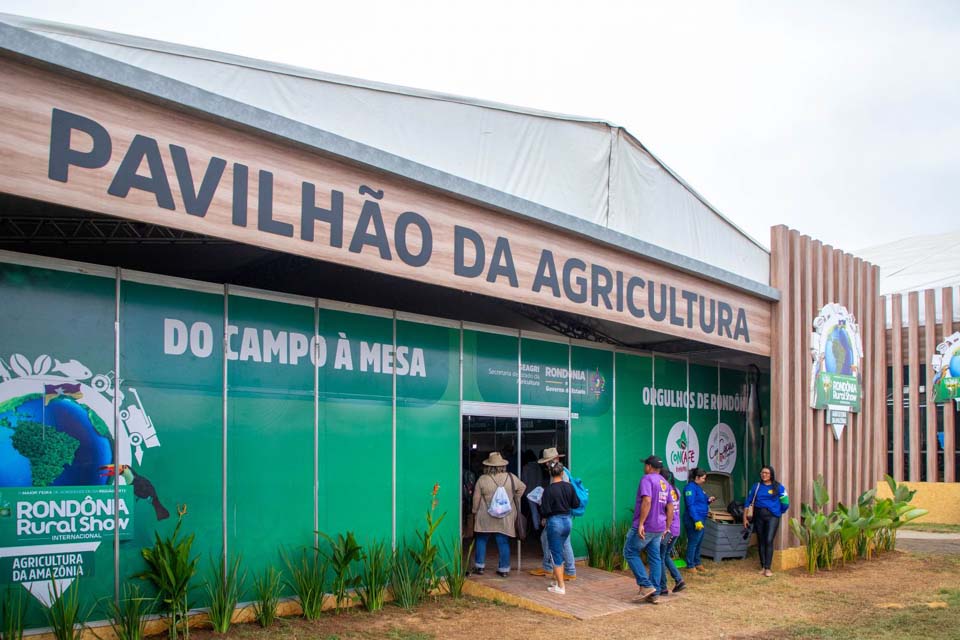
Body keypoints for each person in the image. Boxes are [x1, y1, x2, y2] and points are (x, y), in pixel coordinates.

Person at [624, 455, 675, 604]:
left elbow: (647, 500)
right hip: (659, 527)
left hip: (647, 526)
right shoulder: (665, 482)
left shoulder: (646, 479)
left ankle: (646, 585)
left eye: (645, 464)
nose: (644, 467)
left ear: (649, 467)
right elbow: (670, 507)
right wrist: (667, 526)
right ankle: (655, 592)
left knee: (630, 552)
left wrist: (641, 524)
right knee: (655, 557)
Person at [472, 451, 526, 577]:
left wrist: (474, 511)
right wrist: (513, 499)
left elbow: (476, 498)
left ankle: (479, 566)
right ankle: (504, 569)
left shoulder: (482, 479)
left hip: (485, 515)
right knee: (503, 541)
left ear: (488, 466)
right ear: (502, 465)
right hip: (505, 515)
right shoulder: (511, 477)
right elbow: (522, 487)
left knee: (481, 539)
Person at [528, 447, 577, 581]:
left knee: (559, 541)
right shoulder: (559, 473)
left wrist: (546, 515)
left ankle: (561, 569)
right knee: (555, 540)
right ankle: (552, 567)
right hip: (564, 516)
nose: (546, 464)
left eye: (548, 462)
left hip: (558, 516)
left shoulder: (560, 475)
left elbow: (559, 497)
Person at [539, 460, 580, 595]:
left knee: (555, 553)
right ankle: (558, 580)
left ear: (550, 473)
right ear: (562, 473)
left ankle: (560, 586)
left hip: (555, 521)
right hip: (567, 520)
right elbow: (576, 504)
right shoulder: (569, 487)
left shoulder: (549, 490)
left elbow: (544, 510)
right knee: (562, 548)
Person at [743, 465, 789, 577]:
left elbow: (785, 503)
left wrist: (777, 512)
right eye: (763, 472)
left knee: (768, 540)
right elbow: (748, 502)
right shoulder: (756, 486)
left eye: (767, 473)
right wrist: (744, 518)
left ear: (771, 474)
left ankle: (768, 568)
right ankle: (763, 566)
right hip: (759, 516)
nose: (764, 475)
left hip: (772, 516)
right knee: (761, 540)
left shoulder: (778, 487)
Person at [658, 469, 686, 596]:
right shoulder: (676, 490)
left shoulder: (665, 490)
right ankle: (679, 580)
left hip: (668, 528)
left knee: (661, 557)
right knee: (665, 555)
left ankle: (663, 587)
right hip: (676, 528)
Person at [684, 466, 715, 573]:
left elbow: (701, 501)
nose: (704, 480)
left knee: (699, 541)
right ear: (697, 477)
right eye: (703, 478)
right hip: (693, 519)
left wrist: (709, 500)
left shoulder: (699, 488)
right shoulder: (690, 488)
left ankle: (697, 563)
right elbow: (690, 505)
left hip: (702, 518)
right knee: (693, 542)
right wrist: (696, 520)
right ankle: (690, 565)